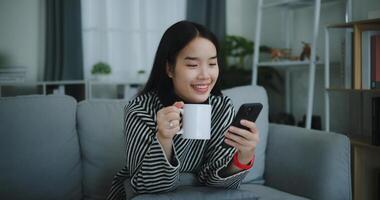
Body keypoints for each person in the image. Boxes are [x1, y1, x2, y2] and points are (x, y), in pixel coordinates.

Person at [107, 20, 260, 200]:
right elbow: (146, 186)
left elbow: (215, 182)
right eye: (193, 65)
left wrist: (243, 156)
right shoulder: (140, 109)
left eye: (212, 64)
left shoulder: (221, 106)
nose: (205, 75)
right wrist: (163, 139)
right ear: (170, 68)